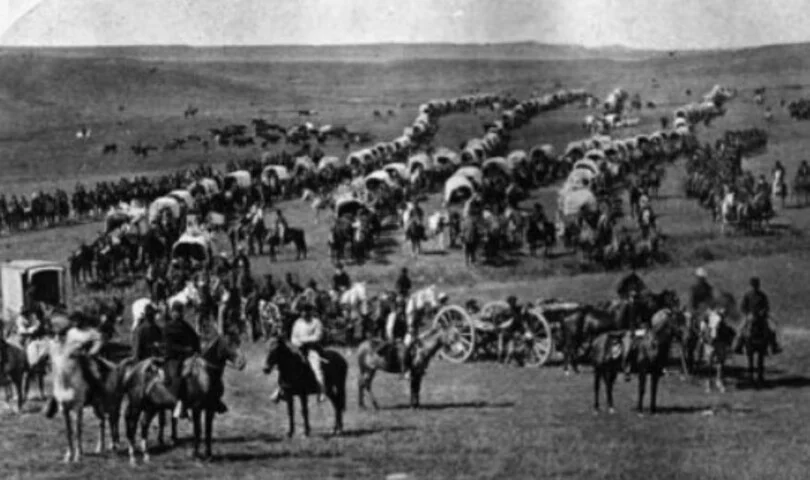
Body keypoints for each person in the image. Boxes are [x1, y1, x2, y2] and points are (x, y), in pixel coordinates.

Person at [164, 303, 203, 419]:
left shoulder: (186, 326)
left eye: (179, 311)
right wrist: (185, 349)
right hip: (173, 357)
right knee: (178, 377)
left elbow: (195, 338)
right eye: (175, 311)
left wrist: (197, 350)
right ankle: (178, 403)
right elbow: (169, 345)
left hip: (187, 357)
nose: (177, 314)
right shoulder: (168, 327)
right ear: (172, 313)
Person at [734, 277, 781, 355]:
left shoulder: (762, 295)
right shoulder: (747, 295)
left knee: (771, 330)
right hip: (750, 317)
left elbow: (766, 306)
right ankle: (738, 347)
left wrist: (763, 311)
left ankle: (774, 347)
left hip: (761, 317)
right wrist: (748, 313)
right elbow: (742, 307)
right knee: (741, 330)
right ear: (751, 285)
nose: (755, 287)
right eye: (754, 285)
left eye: (756, 285)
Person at [290, 302, 325, 402]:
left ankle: (322, 391)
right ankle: (280, 390)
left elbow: (317, 337)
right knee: (286, 365)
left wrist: (304, 340)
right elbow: (293, 337)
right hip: (298, 349)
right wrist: (297, 343)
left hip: (311, 349)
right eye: (302, 311)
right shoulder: (297, 322)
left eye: (306, 311)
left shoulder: (316, 322)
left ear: (311, 312)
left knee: (316, 368)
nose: (304, 313)